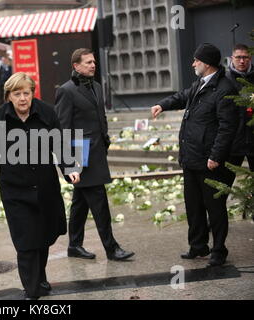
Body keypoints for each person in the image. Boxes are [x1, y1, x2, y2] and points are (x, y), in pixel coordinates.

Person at [0, 72, 80, 300]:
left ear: (32, 94)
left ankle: (40, 279)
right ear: (9, 96)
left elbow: (60, 144)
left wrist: (70, 168)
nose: (23, 98)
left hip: (44, 187)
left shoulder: (47, 112)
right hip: (15, 190)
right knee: (25, 242)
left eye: (26, 93)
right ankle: (32, 291)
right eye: (17, 94)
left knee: (42, 237)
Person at [151, 43, 238, 267]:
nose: (193, 63)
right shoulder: (201, 83)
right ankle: (198, 245)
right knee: (194, 205)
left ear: (206, 63)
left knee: (215, 208)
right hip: (191, 157)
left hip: (209, 160)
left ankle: (219, 249)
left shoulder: (224, 88)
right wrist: (162, 104)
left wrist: (216, 156)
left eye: (196, 60)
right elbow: (182, 96)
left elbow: (227, 128)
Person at [55, 48, 134, 262]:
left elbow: (101, 116)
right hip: (81, 155)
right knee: (99, 202)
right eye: (88, 62)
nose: (93, 65)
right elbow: (62, 129)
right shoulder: (66, 91)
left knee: (81, 202)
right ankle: (112, 248)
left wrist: (105, 138)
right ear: (76, 66)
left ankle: (74, 245)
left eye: (94, 62)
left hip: (98, 151)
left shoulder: (97, 87)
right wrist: (69, 164)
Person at [225, 43, 254, 178]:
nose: (242, 61)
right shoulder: (224, 79)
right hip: (234, 139)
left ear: (250, 58)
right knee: (226, 181)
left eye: (245, 57)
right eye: (238, 57)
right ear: (232, 58)